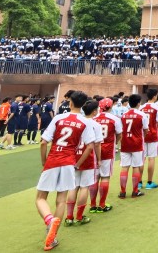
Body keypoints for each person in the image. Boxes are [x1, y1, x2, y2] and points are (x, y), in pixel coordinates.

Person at [35, 91, 95, 251]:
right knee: (61, 200)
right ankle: (51, 238)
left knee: (40, 198)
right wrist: (77, 163)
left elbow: (43, 142)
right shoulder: (86, 121)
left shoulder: (59, 118)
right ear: (83, 105)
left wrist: (44, 161)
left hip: (53, 159)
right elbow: (90, 146)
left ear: (70, 103)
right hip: (70, 162)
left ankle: (49, 221)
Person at [64, 99, 102, 227]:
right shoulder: (95, 125)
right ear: (95, 111)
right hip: (87, 157)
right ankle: (79, 216)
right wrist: (100, 159)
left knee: (73, 186)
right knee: (84, 187)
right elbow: (96, 144)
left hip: (74, 156)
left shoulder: (76, 121)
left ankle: (69, 217)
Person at [89, 98, 121, 213]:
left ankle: (92, 205)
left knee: (94, 177)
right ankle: (102, 204)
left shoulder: (93, 118)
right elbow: (119, 134)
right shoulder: (114, 119)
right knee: (105, 176)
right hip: (107, 150)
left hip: (93, 150)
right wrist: (114, 143)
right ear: (111, 107)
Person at [119, 94, 149, 199]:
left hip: (125, 143)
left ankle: (122, 192)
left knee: (124, 167)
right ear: (138, 103)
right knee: (136, 166)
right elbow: (146, 130)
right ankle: (135, 191)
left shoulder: (124, 115)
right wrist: (142, 138)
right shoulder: (142, 115)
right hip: (137, 143)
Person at [138, 88, 158, 190]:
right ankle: (149, 182)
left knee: (142, 159)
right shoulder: (157, 108)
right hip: (153, 135)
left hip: (142, 135)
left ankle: (139, 182)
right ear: (155, 96)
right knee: (151, 158)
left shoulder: (141, 107)